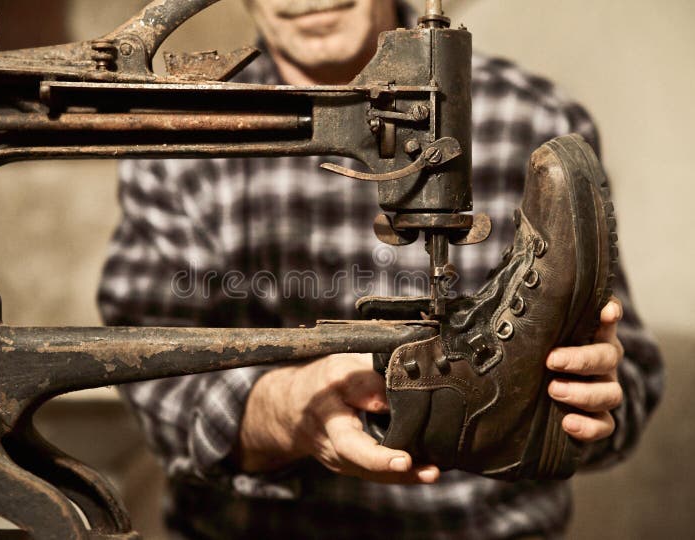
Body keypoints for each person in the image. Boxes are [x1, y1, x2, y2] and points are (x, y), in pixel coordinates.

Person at [98, 0, 663, 537]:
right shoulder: (182, 139)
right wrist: (272, 410)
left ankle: (502, 420)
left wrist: (585, 395)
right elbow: (143, 367)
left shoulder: (538, 116)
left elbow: (630, 375)